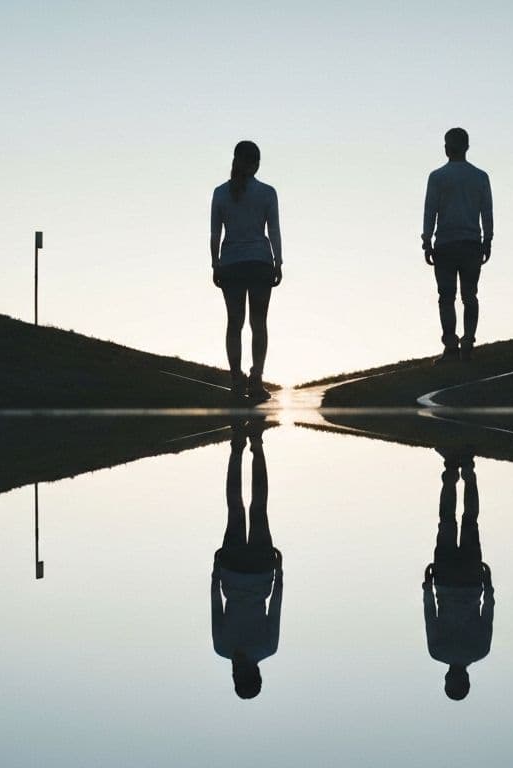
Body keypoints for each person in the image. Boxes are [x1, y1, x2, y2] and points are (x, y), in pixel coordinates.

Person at [211, 420, 283, 699]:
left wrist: (279, 574)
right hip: (236, 571)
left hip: (257, 572)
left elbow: (276, 607)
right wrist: (216, 574)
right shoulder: (224, 648)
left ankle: (253, 446)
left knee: (255, 506)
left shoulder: (266, 648)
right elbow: (216, 606)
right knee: (238, 507)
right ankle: (241, 448)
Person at [211, 140, 283, 401]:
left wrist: (215, 263)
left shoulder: (220, 193)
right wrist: (278, 261)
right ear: (256, 164)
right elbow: (273, 230)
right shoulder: (267, 193)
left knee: (234, 323)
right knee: (259, 323)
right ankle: (256, 379)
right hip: (260, 263)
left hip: (231, 263)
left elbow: (215, 233)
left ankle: (236, 380)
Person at [422, 448, 494, 700]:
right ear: (449, 680)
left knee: (470, 521)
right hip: (445, 581)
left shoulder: (480, 650)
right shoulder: (437, 651)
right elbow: (430, 614)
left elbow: (488, 611)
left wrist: (488, 586)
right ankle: (451, 471)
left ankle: (469, 472)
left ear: (466, 680)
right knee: (446, 521)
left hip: (471, 582)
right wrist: (427, 587)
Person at [421, 127, 493, 362]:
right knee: (469, 296)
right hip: (472, 243)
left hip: (446, 244)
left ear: (448, 147)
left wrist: (427, 239)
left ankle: (451, 346)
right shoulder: (480, 177)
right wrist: (487, 239)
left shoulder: (438, 177)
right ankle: (468, 342)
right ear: (467, 147)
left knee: (446, 297)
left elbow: (430, 209)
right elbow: (487, 210)